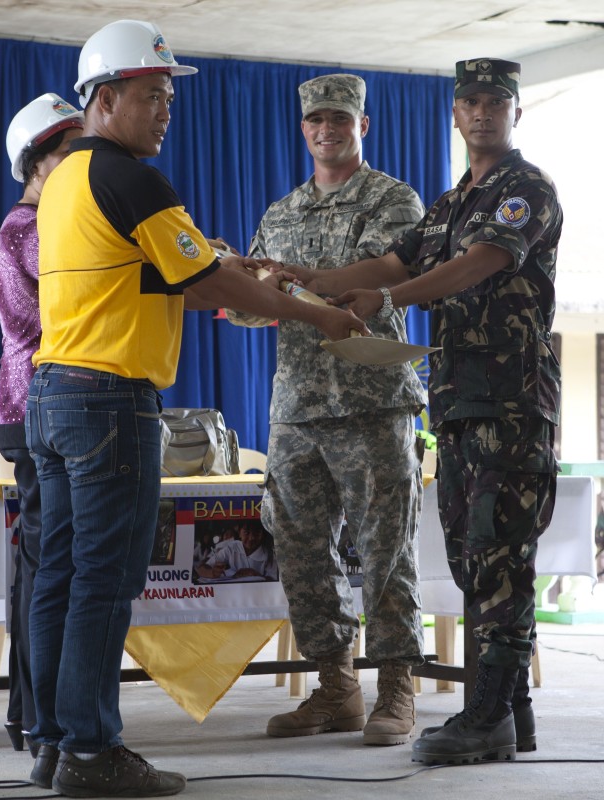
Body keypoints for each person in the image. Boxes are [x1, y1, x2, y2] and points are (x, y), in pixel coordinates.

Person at [25, 20, 368, 798]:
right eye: (152, 94)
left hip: (55, 393)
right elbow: (205, 286)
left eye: (170, 95)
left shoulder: (67, 179)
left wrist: (221, 260)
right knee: (102, 584)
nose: (166, 109)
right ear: (105, 97)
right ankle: (91, 752)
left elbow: (129, 274)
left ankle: (52, 742)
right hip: (109, 399)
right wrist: (319, 316)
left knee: (62, 578)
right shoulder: (135, 179)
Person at [284, 58, 562, 765]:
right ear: (455, 114)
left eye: (496, 101)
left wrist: (387, 302)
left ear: (515, 113)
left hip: (510, 399)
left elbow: (481, 262)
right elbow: (392, 262)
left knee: (500, 556)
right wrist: (311, 282)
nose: (481, 111)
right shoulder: (446, 205)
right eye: (468, 101)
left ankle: (489, 714)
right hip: (459, 401)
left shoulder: (522, 189)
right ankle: (510, 715)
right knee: (476, 560)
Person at [226, 73, 427, 746]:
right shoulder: (280, 213)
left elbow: (387, 275)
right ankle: (336, 687)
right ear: (303, 127)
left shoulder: (393, 200)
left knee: (384, 551)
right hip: (297, 409)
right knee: (302, 552)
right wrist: (241, 294)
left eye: (339, 118)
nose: (325, 128)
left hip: (372, 405)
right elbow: (263, 309)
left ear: (362, 126)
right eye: (315, 119)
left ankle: (396, 688)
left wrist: (298, 287)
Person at [0, 93, 84, 757]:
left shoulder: (28, 223)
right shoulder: (36, 228)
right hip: (38, 410)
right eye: (67, 150)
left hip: (25, 411)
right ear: (35, 161)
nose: (81, 160)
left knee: (39, 570)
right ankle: (38, 715)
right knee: (52, 570)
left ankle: (28, 713)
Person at [196, 520, 278, 581]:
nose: (251, 538)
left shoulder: (270, 554)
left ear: (263, 534)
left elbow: (274, 580)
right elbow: (202, 569)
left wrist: (256, 575)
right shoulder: (231, 548)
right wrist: (213, 573)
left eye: (257, 533)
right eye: (246, 532)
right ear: (239, 533)